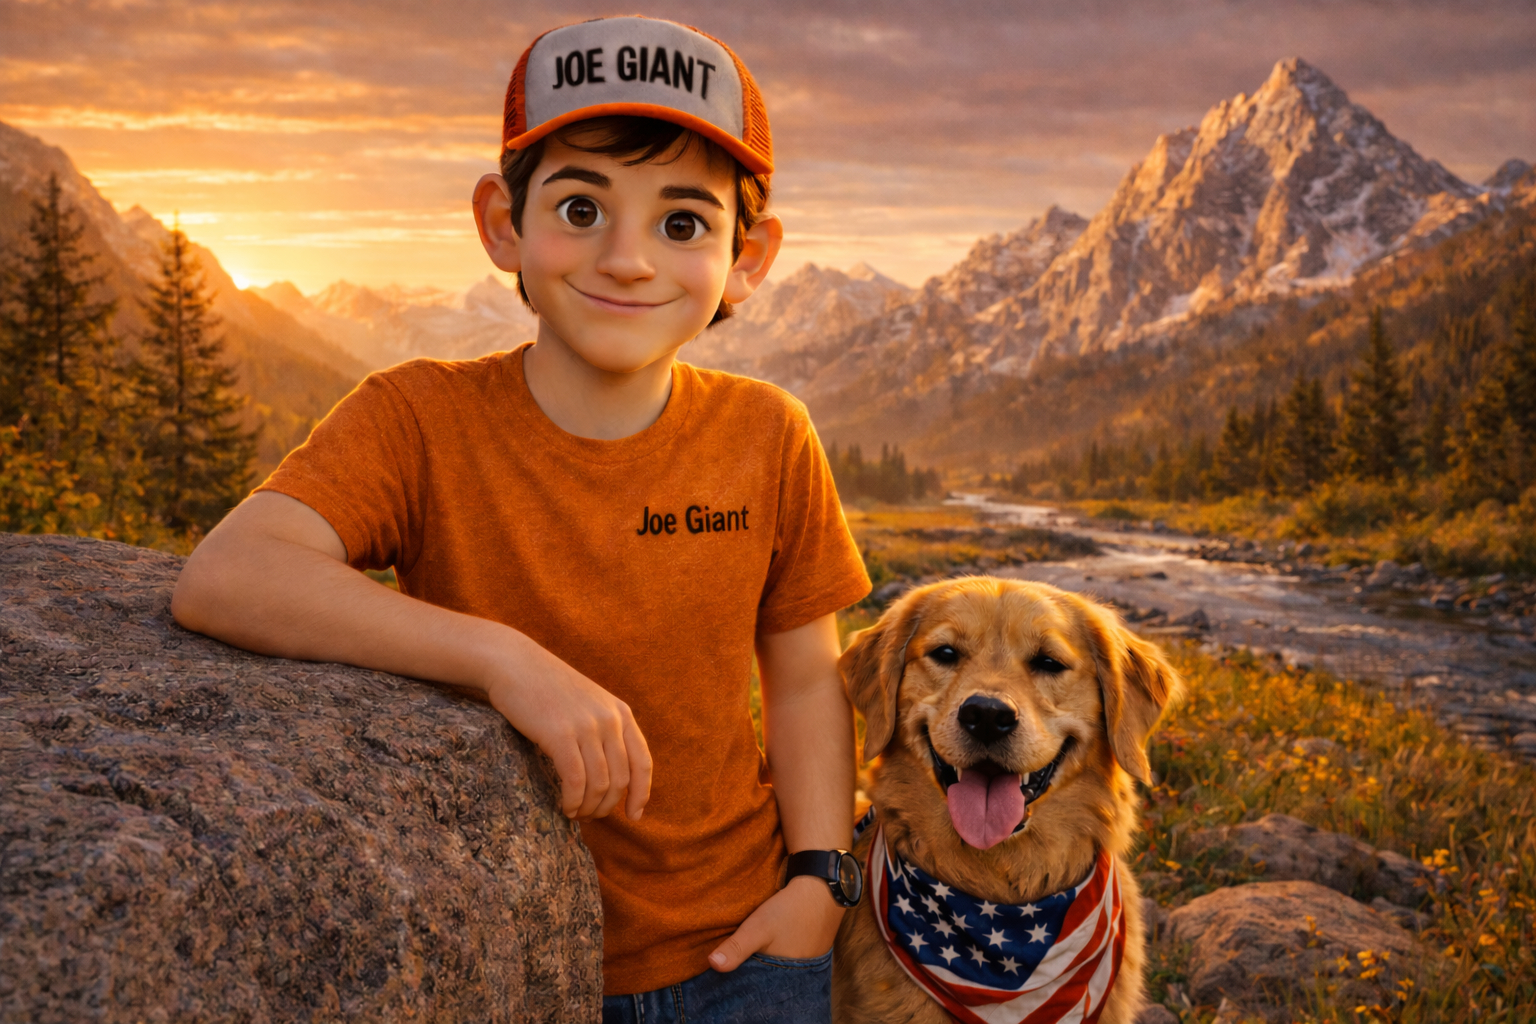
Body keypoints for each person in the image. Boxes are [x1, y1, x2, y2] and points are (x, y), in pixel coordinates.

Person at [171, 15, 871, 1024]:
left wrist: (819, 881)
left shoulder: (769, 434)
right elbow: (232, 574)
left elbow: (803, 674)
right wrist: (505, 657)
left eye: (683, 223)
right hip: (511, 944)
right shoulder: (419, 415)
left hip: (747, 948)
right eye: (581, 207)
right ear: (502, 222)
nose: (628, 259)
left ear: (747, 256)